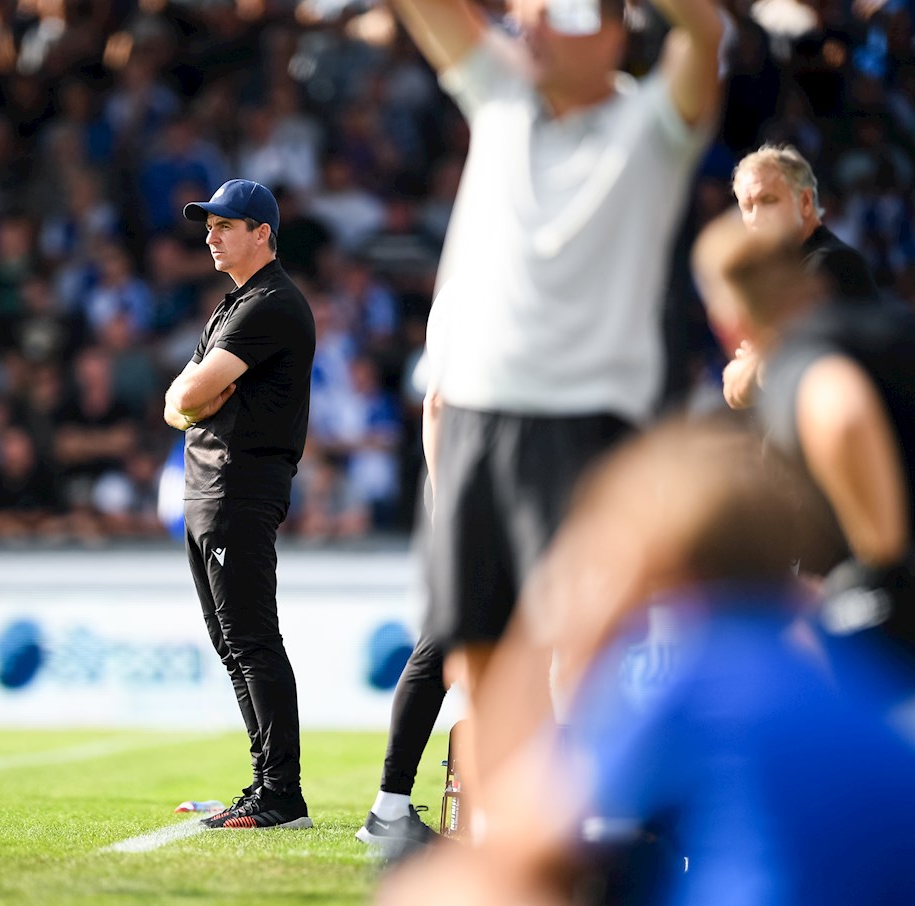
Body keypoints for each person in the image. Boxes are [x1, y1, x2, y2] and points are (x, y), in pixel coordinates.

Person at [378, 0, 722, 843]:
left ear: (612, 33)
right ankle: (516, 852)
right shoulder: (501, 96)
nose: (527, 24)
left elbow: (705, 32)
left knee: (587, 651)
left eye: (555, 11)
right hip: (476, 418)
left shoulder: (652, 123)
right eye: (525, 9)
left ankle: (597, 833)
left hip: (588, 423)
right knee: (480, 659)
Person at [380, 419, 915, 906]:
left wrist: (562, 620)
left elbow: (514, 849)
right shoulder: (858, 676)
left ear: (661, 567)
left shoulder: (700, 684)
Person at [694, 213, 915, 671]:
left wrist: (879, 557)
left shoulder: (795, 362)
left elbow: (842, 411)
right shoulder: (882, 324)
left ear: (727, 323)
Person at [165, 178, 316, 830]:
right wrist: (192, 400)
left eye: (225, 224)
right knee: (234, 647)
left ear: (263, 233)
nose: (210, 234)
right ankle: (266, 785)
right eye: (208, 224)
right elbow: (178, 401)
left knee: (251, 641)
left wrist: (193, 398)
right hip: (207, 489)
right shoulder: (236, 305)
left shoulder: (272, 303)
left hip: (237, 487)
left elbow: (191, 390)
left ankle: (281, 793)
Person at [721, 143, 880, 409]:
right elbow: (734, 389)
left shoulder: (832, 264)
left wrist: (759, 360)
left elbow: (790, 367)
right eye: (747, 207)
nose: (757, 218)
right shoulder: (777, 276)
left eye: (768, 200)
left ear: (805, 202)